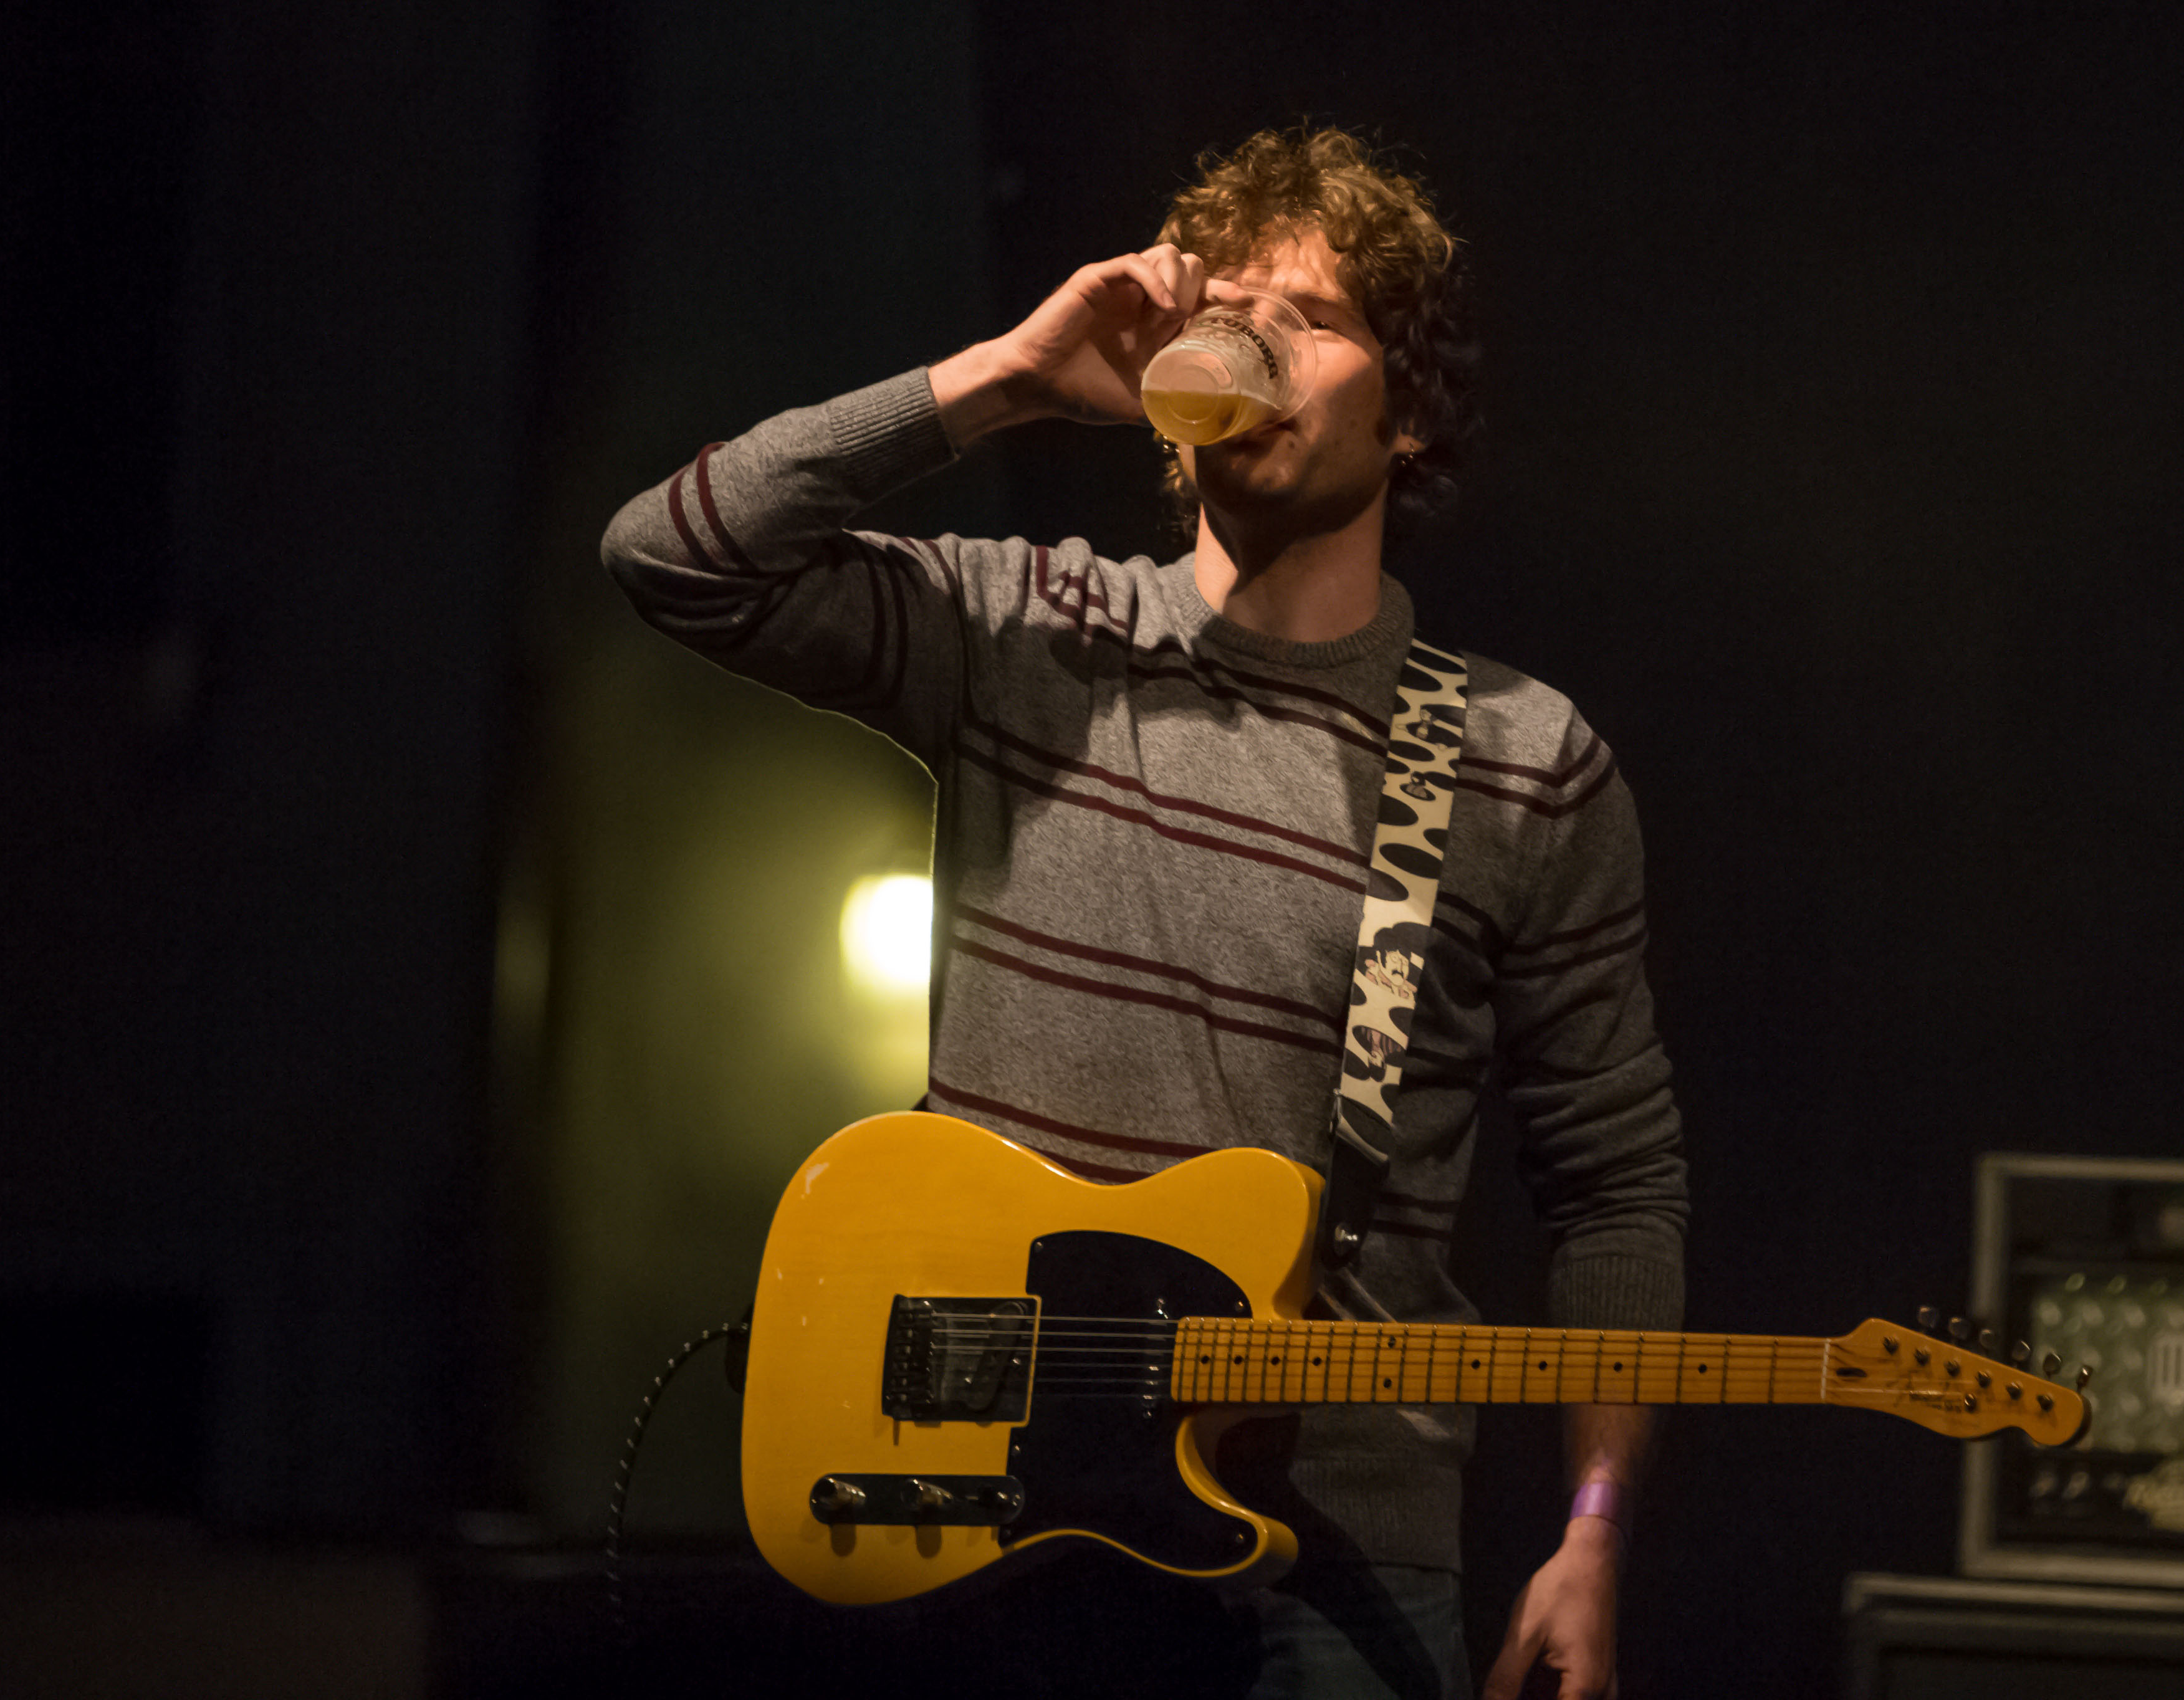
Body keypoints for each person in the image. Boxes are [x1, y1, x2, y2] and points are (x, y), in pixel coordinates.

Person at [602, 128, 1685, 1698]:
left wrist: (1593, 1534)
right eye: (1224, 310)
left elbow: (1618, 1191)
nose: (1251, 341)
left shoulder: (1524, 761)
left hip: (1340, 1562)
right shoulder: (1027, 628)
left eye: (1310, 316)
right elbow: (670, 555)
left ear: (1413, 413)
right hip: (996, 1519)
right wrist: (1003, 381)